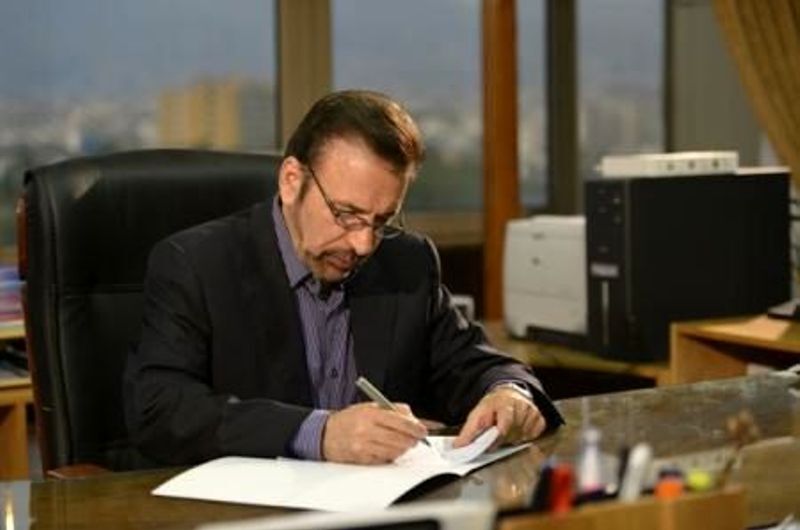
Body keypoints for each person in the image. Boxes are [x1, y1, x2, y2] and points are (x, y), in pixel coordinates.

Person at [124, 89, 563, 466]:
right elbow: (160, 410)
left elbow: (476, 363)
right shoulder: (197, 264)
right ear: (291, 181)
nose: (364, 244)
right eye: (346, 214)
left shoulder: (406, 263)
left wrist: (511, 394)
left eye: (382, 221)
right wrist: (320, 433)